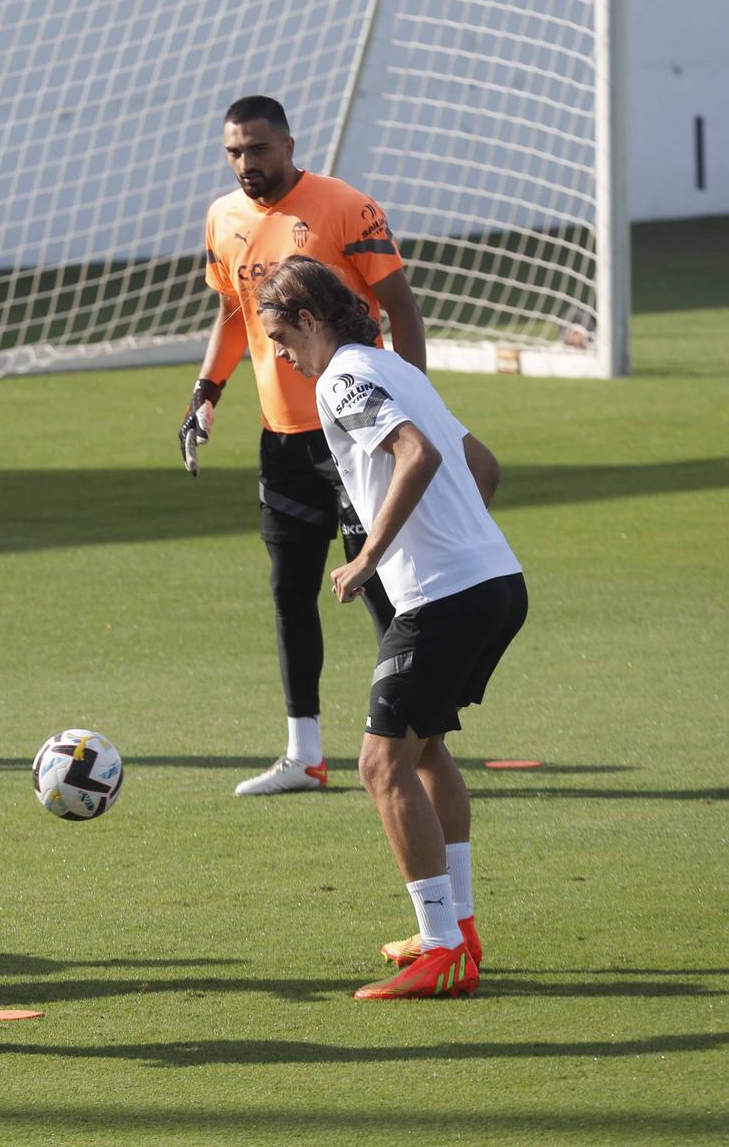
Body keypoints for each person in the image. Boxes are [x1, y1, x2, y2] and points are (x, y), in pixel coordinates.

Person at [257, 257, 525, 999]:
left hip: (446, 596)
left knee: (381, 764)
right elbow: (484, 464)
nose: (280, 352)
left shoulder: (340, 377)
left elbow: (420, 453)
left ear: (310, 320)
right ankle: (459, 928)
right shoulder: (393, 365)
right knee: (426, 748)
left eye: (281, 335)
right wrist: (464, 539)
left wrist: (369, 555)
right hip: (496, 582)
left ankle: (442, 948)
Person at [180, 95, 426, 795]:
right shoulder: (223, 219)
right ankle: (306, 755)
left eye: (257, 149)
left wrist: (411, 398)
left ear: (289, 143)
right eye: (233, 151)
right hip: (283, 438)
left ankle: (416, 739)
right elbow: (233, 313)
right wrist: (207, 390)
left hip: (353, 429)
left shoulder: (345, 206)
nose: (245, 164)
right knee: (291, 590)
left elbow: (401, 304)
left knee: (379, 584)